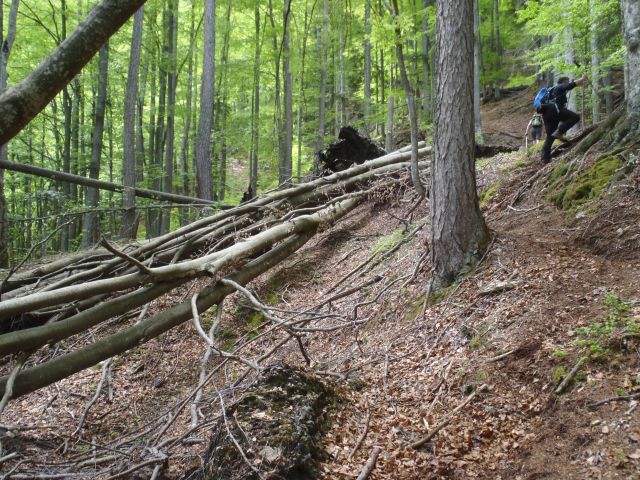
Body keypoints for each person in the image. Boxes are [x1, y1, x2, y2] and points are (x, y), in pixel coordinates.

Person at [540, 73, 588, 163]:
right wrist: (582, 79)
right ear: (564, 81)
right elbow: (569, 86)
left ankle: (544, 157)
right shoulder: (560, 86)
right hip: (555, 110)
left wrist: (578, 82)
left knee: (550, 136)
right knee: (575, 117)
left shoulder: (551, 90)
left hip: (546, 113)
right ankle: (560, 131)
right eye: (567, 81)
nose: (568, 83)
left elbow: (570, 86)